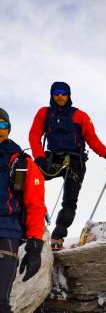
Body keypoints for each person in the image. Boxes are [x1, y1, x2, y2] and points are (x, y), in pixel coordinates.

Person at [29, 82, 106, 250]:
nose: (60, 96)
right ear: (52, 95)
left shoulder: (80, 116)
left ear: (69, 95)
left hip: (75, 161)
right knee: (29, 179)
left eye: (63, 93)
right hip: (52, 159)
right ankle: (30, 223)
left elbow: (92, 139)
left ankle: (58, 236)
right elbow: (34, 135)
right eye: (56, 92)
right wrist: (39, 157)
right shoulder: (44, 113)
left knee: (70, 201)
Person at [0, 108, 46, 313]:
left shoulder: (21, 162)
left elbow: (35, 204)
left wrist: (34, 246)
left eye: (3, 125)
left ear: (8, 129)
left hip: (6, 234)